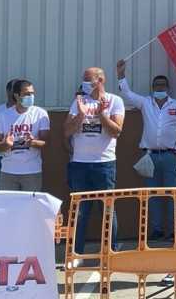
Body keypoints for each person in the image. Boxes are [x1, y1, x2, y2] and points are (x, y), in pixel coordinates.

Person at [116, 58, 176, 240]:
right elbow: (127, 94)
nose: (160, 88)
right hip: (149, 157)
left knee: (172, 195)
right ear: (152, 87)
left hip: (171, 156)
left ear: (168, 88)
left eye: (163, 85)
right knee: (151, 195)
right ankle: (155, 230)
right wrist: (121, 74)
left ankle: (173, 231)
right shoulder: (145, 103)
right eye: (157, 85)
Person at [64, 67, 125, 254]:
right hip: (79, 164)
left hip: (104, 164)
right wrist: (81, 115)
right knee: (80, 211)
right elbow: (66, 132)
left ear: (100, 81)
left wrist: (101, 115)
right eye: (83, 80)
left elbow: (116, 131)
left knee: (107, 210)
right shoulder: (79, 101)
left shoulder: (115, 100)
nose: (84, 84)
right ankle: (76, 252)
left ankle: (111, 250)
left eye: (88, 81)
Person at [0, 79, 51, 192]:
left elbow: (47, 143)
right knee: (9, 207)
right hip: (8, 171)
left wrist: (33, 142)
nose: (31, 96)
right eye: (27, 94)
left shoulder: (41, 114)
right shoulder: (3, 116)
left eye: (32, 93)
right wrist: (5, 145)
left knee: (30, 207)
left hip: (32, 171)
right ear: (17, 96)